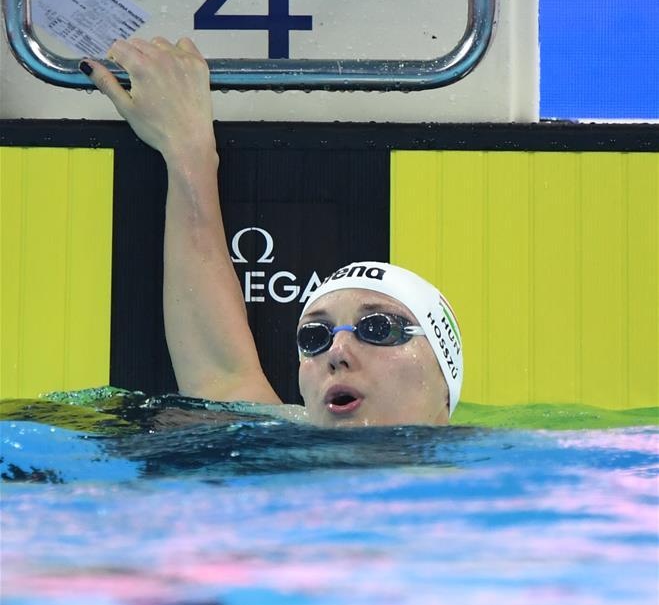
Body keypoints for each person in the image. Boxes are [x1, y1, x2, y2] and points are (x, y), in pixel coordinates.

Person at [80, 37, 463, 427]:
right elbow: (224, 374)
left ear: (446, 385)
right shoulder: (276, 446)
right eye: (315, 336)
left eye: (378, 328)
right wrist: (186, 151)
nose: (338, 351)